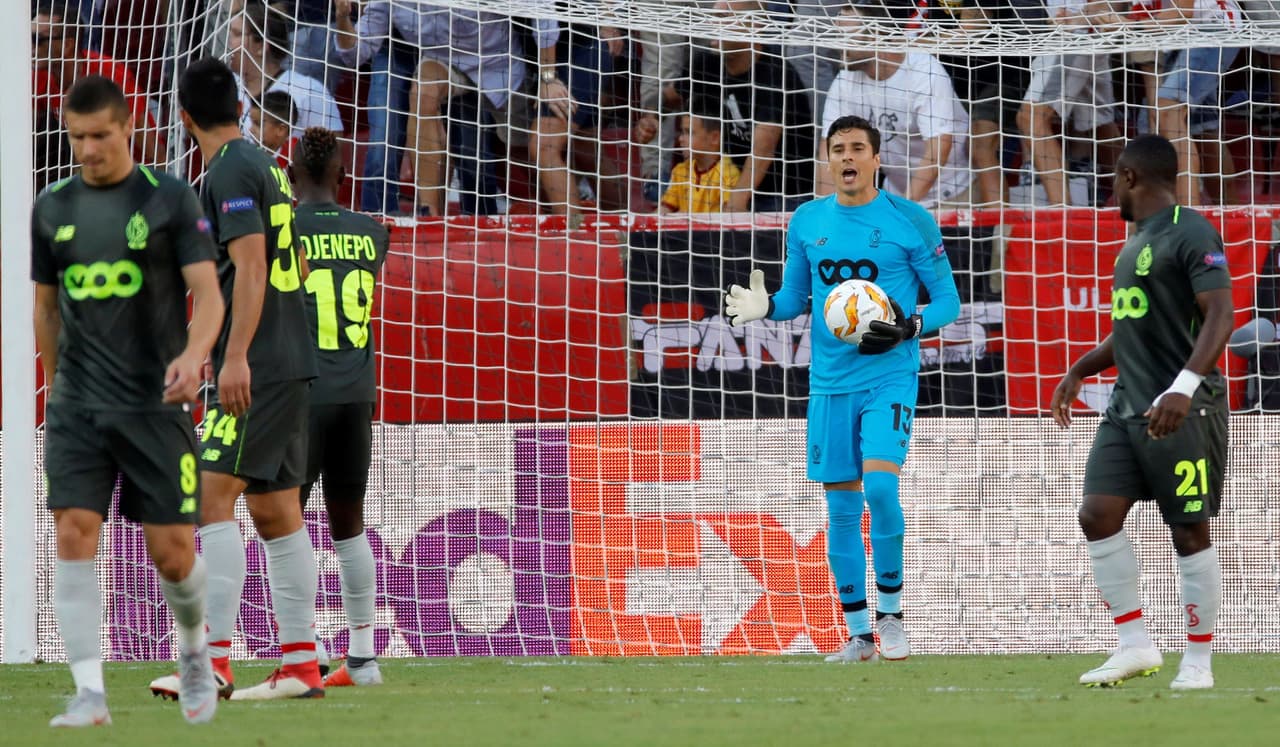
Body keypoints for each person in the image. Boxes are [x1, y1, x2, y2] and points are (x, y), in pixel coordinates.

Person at [724, 115, 960, 662]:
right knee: (841, 511)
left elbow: (948, 301)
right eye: (838, 149)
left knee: (879, 489)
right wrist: (765, 307)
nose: (847, 157)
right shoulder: (808, 220)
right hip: (830, 385)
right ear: (828, 160)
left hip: (888, 377)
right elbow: (794, 298)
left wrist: (910, 326)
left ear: (876, 159)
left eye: (857, 148)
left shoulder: (911, 220)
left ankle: (891, 617)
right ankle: (858, 636)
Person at [32, 75, 224, 726]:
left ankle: (194, 649)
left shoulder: (169, 199)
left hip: (154, 405)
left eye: (99, 136)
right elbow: (45, 308)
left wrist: (194, 356)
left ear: (127, 128)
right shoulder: (52, 207)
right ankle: (89, 693)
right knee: (72, 532)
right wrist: (59, 388)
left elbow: (209, 295)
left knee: (172, 553)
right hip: (79, 407)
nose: (87, 149)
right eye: (77, 138)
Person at [149, 56, 323, 702]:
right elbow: (291, 258)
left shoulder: (227, 172)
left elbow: (251, 267)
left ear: (183, 117)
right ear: (241, 108)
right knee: (276, 511)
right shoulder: (265, 165)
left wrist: (236, 356)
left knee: (210, 497)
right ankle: (300, 666)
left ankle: (212, 662)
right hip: (289, 356)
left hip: (261, 365)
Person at [1051, 135, 1234, 690]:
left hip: (1183, 410)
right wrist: (1082, 367)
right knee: (1096, 514)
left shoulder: (1191, 230)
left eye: (1114, 179)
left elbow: (1221, 314)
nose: (1113, 189)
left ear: (1130, 176)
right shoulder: (1136, 241)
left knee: (1189, 531)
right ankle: (1134, 644)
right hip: (1127, 407)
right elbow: (1133, 328)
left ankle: (1198, 660)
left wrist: (1184, 387)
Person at [290, 127, 390, 687]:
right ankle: (363, 658)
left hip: (302, 392)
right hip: (356, 395)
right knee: (349, 524)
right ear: (343, 176)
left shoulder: (284, 231)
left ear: (289, 176)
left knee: (286, 523)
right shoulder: (373, 233)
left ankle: (306, 650)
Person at [332, 0, 563, 217]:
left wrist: (548, 77)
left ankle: (565, 216)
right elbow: (356, 54)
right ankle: (428, 214)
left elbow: (541, 7)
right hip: (443, 61)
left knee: (529, 151)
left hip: (499, 65)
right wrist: (343, 18)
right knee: (423, 92)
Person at [817, 4, 971, 209]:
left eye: (847, 36)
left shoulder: (924, 71)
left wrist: (902, 210)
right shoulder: (845, 79)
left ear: (876, 35)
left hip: (954, 194)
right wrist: (826, 212)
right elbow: (828, 148)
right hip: (895, 196)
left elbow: (938, 148)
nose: (839, 45)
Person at [675, 0, 814, 212]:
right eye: (713, 17)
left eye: (724, 18)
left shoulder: (776, 74)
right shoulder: (706, 63)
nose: (713, 24)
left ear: (753, 26)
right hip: (729, 182)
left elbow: (763, 146)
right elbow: (672, 96)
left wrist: (736, 202)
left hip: (782, 195)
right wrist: (652, 118)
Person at [32, 0, 165, 165]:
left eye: (37, 39)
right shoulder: (37, 75)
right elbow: (26, 137)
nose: (30, 46)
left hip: (133, 165)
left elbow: (154, 151)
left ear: (67, 45)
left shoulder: (110, 76)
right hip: (90, 161)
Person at [230, 0, 343, 136]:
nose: (228, 42)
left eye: (236, 34)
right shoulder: (225, 87)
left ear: (262, 46)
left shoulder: (308, 91)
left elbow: (334, 145)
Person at [659, 105, 742, 214]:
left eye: (689, 132)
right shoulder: (680, 171)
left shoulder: (729, 174)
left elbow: (729, 217)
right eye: (682, 132)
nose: (681, 139)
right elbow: (664, 210)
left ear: (714, 138)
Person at [250, 89, 298, 168]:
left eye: (258, 124)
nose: (251, 130)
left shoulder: (296, 155)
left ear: (281, 130)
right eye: (252, 123)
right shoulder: (246, 155)